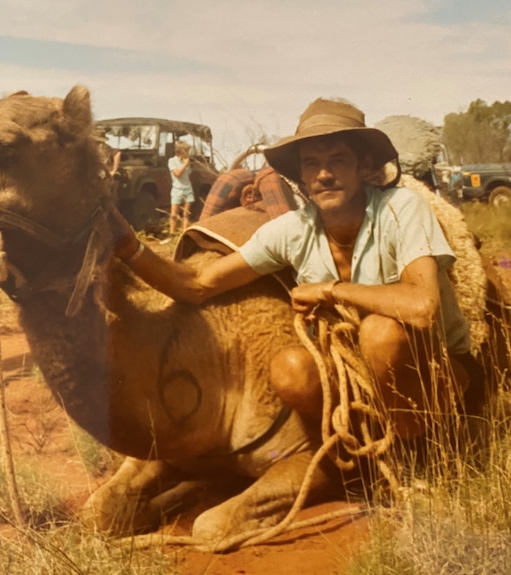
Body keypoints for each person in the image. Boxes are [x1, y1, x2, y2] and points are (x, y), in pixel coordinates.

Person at [111, 98, 478, 440]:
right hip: (356, 372)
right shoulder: (295, 229)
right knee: (290, 368)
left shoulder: (402, 208)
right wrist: (128, 245)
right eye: (311, 163)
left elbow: (422, 307)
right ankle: (353, 452)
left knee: (381, 333)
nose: (323, 174)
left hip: (434, 370)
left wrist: (330, 291)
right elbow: (197, 284)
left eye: (337, 160)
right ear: (300, 175)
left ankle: (420, 450)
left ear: (364, 166)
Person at [168, 141, 195, 235]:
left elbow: (188, 175)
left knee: (186, 214)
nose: (188, 153)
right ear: (180, 151)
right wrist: (185, 165)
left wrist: (186, 163)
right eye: (186, 151)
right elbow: (177, 174)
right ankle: (172, 233)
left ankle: (184, 234)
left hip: (187, 189)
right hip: (177, 189)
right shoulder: (172, 161)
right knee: (174, 214)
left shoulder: (186, 161)